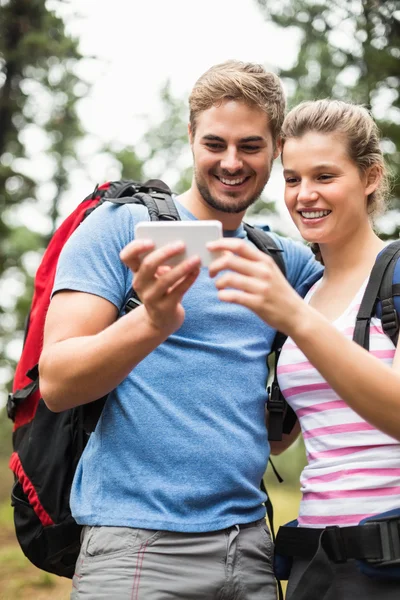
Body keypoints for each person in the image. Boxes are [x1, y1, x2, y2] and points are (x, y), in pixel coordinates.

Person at [39, 60, 322, 600]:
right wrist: (152, 322)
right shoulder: (119, 228)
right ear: (191, 136)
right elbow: (57, 382)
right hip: (135, 549)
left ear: (277, 147)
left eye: (251, 146)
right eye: (215, 143)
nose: (231, 162)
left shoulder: (286, 263)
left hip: (251, 550)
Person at [208, 98, 400, 599]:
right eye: (292, 179)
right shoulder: (307, 290)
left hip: (390, 562)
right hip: (314, 563)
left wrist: (294, 318)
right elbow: (281, 438)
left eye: (324, 176)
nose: (304, 195)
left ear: (371, 176)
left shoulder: (394, 276)